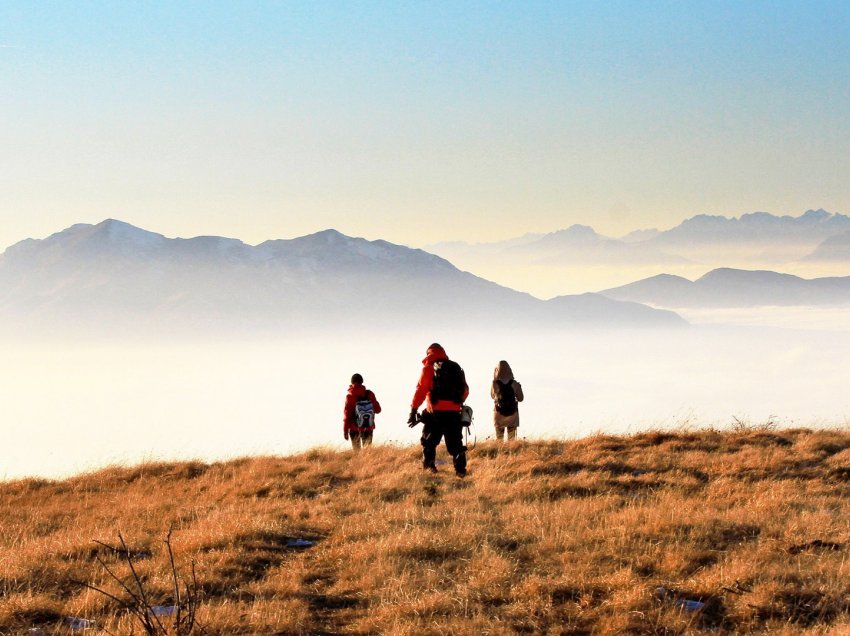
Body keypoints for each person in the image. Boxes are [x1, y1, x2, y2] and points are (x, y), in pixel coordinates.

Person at [407, 343, 469, 476]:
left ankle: (430, 469)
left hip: (434, 413)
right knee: (456, 444)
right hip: (453, 413)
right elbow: (465, 391)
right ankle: (460, 471)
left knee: (429, 442)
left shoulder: (428, 369)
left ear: (428, 354)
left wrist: (413, 410)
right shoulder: (455, 368)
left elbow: (420, 391)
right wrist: (455, 403)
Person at [343, 373, 381, 451]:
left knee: (357, 453)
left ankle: (358, 463)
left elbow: (347, 415)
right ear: (362, 381)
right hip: (368, 427)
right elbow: (378, 410)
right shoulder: (369, 394)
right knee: (368, 453)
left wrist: (345, 430)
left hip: (354, 428)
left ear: (352, 383)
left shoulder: (349, 397)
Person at [491, 360, 524, 442]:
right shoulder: (514, 383)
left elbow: (492, 396)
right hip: (512, 415)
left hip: (498, 414)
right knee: (512, 442)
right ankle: (512, 454)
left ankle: (500, 454)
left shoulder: (494, 383)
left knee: (499, 440)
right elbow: (521, 398)